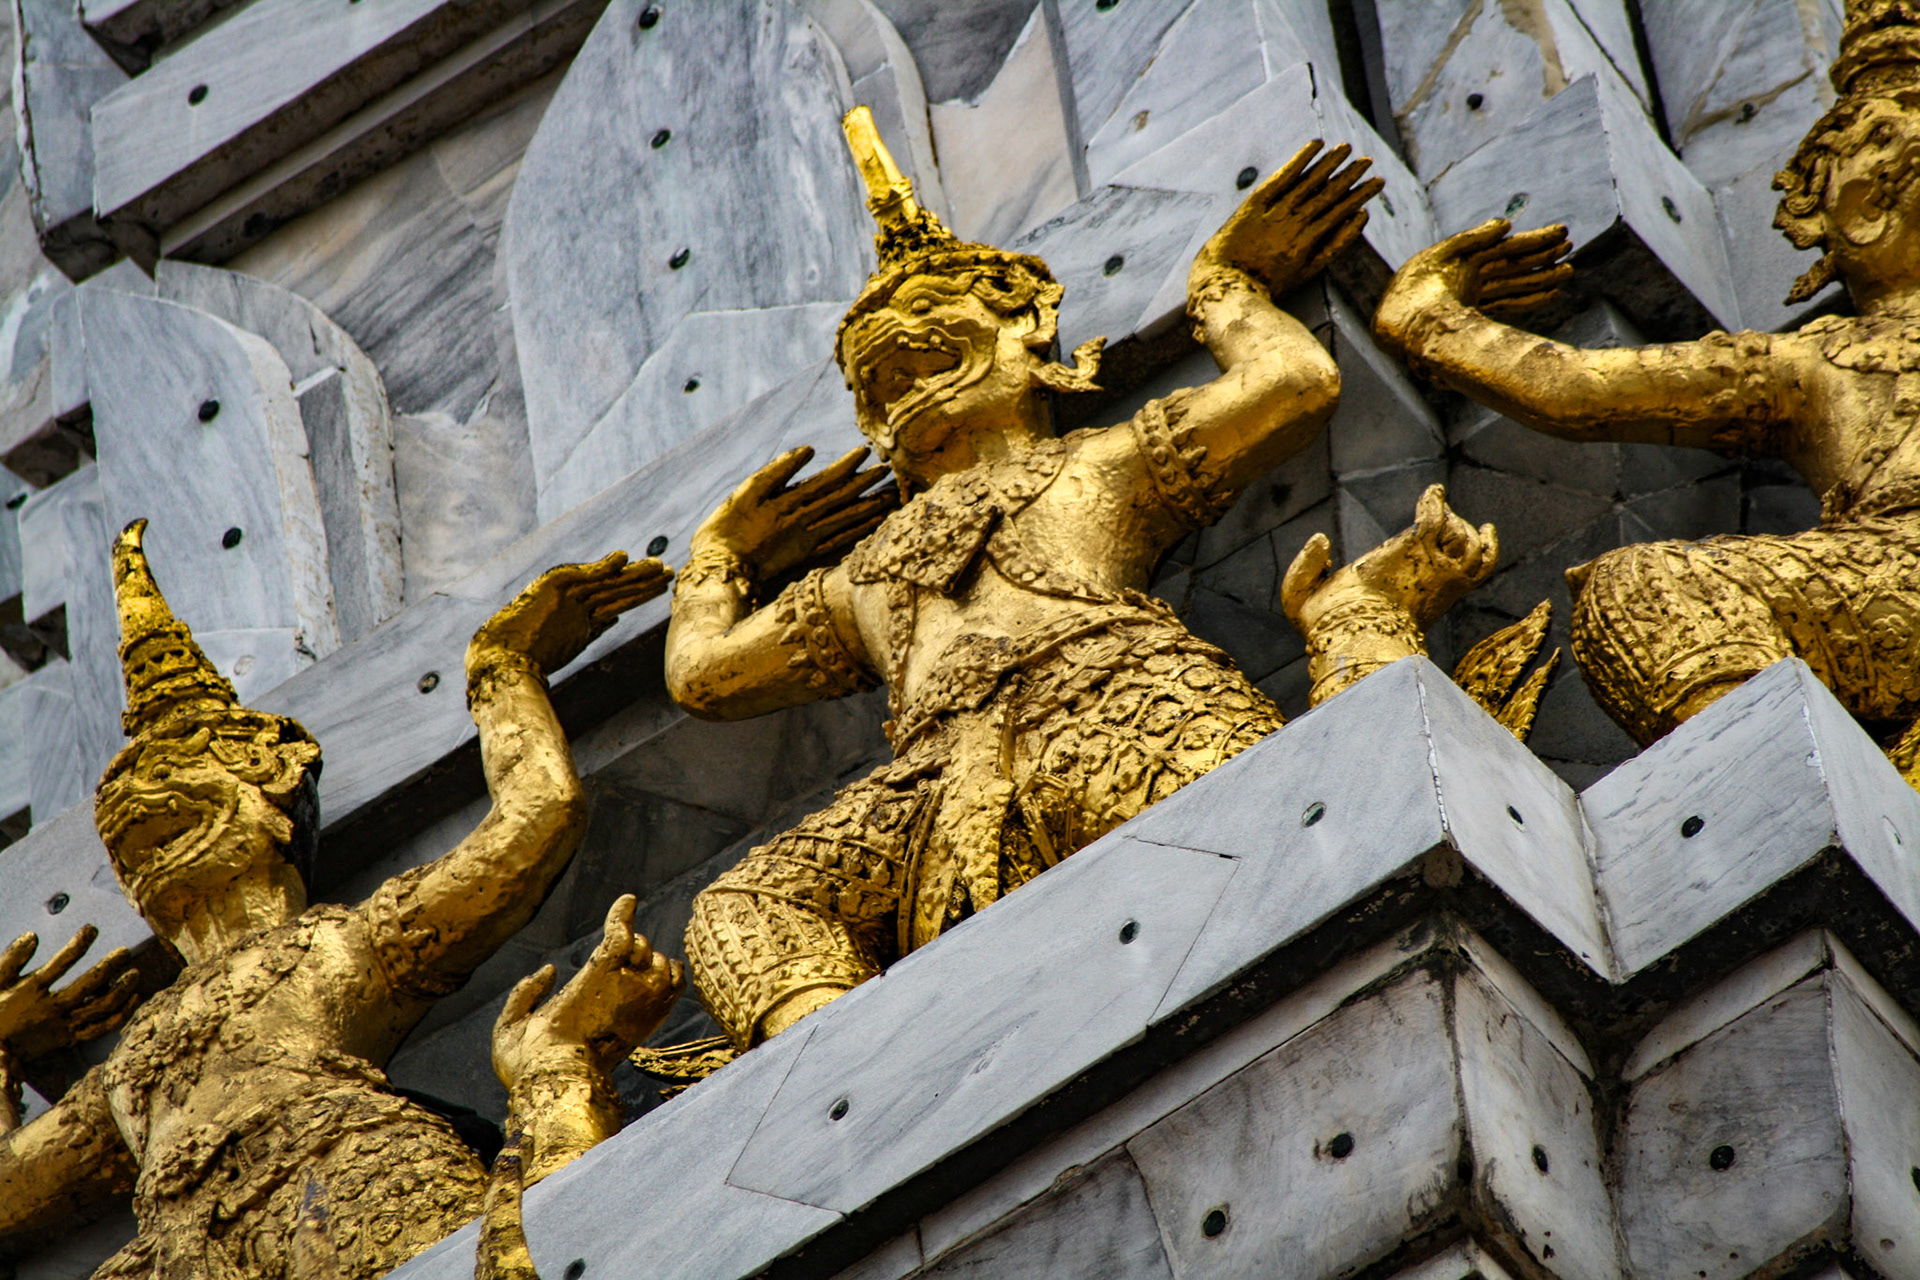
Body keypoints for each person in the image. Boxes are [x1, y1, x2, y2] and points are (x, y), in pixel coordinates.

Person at [664, 109, 1517, 1051]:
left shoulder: (1101, 463)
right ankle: (855, 1084)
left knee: (1302, 852)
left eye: (929, 340)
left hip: (1119, 702)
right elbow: (705, 675)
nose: (896, 372)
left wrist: (1224, 288)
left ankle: (1358, 646)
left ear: (1024, 329)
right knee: (743, 904)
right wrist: (716, 557)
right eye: (879, 376)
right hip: (929, 779)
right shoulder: (858, 573)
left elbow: (1294, 384)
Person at [0, 521, 680, 1279]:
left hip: (343, 1177)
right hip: (181, 1253)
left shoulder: (342, 945)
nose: (142, 808)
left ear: (274, 791)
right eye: (124, 817)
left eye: (189, 775)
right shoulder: (132, 1060)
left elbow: (536, 819)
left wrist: (503, 672)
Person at [1372, 0, 1920, 776]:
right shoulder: (1818, 359)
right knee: (1647, 586)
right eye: (1876, 138)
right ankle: (1808, 798)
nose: (1903, 145)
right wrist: (1427, 321)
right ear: (1843, 214)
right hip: (1890, 574)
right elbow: (1578, 389)